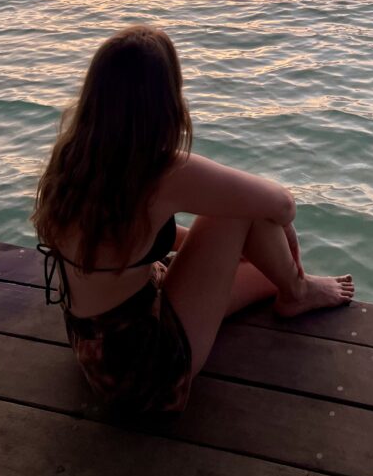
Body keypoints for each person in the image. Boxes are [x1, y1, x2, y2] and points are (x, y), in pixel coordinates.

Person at [32, 23, 354, 416]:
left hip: (96, 350)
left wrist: (213, 252)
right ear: (166, 102)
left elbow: (127, 242)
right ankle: (298, 291)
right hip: (148, 375)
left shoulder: (73, 161)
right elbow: (281, 203)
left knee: (257, 268)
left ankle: (289, 286)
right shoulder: (159, 171)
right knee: (243, 212)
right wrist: (278, 227)